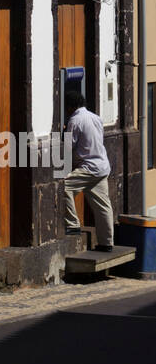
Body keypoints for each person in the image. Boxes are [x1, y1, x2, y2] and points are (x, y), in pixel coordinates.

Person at [62, 89, 114, 250]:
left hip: (89, 167)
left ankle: (72, 225)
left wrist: (64, 133)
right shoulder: (95, 117)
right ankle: (107, 243)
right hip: (102, 166)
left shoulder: (74, 121)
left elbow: (67, 147)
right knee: (103, 206)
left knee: (63, 187)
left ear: (70, 106)